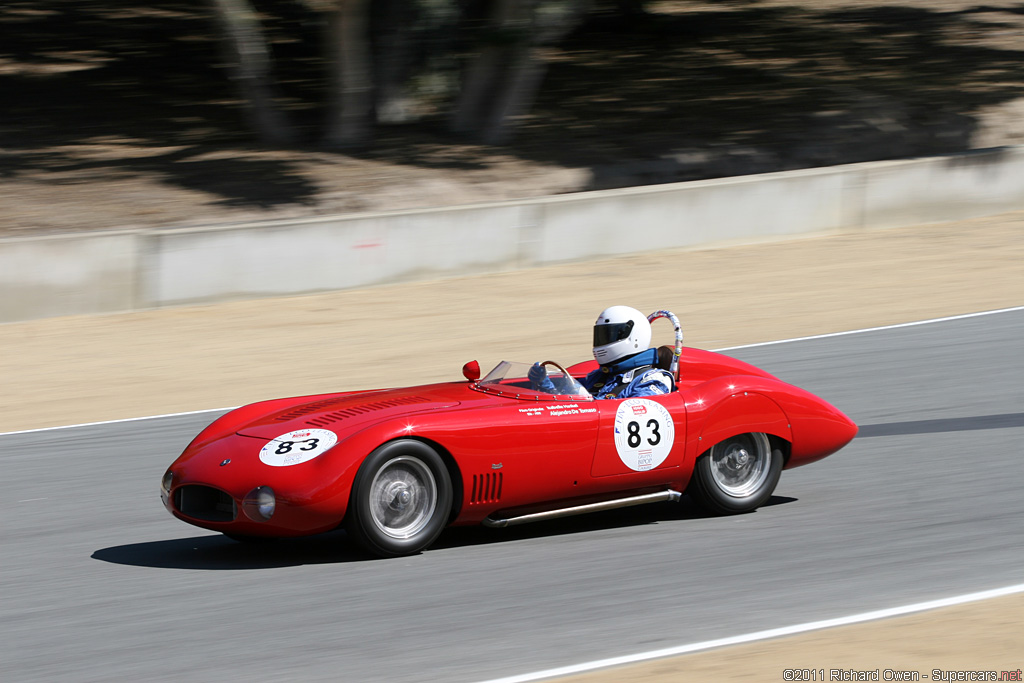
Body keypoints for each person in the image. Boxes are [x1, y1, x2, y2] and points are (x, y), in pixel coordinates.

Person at [529, 305, 673, 399]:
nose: (602, 341)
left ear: (632, 337)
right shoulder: (599, 376)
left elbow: (640, 412)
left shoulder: (653, 379)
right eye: (601, 335)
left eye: (609, 335)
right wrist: (544, 385)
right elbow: (568, 399)